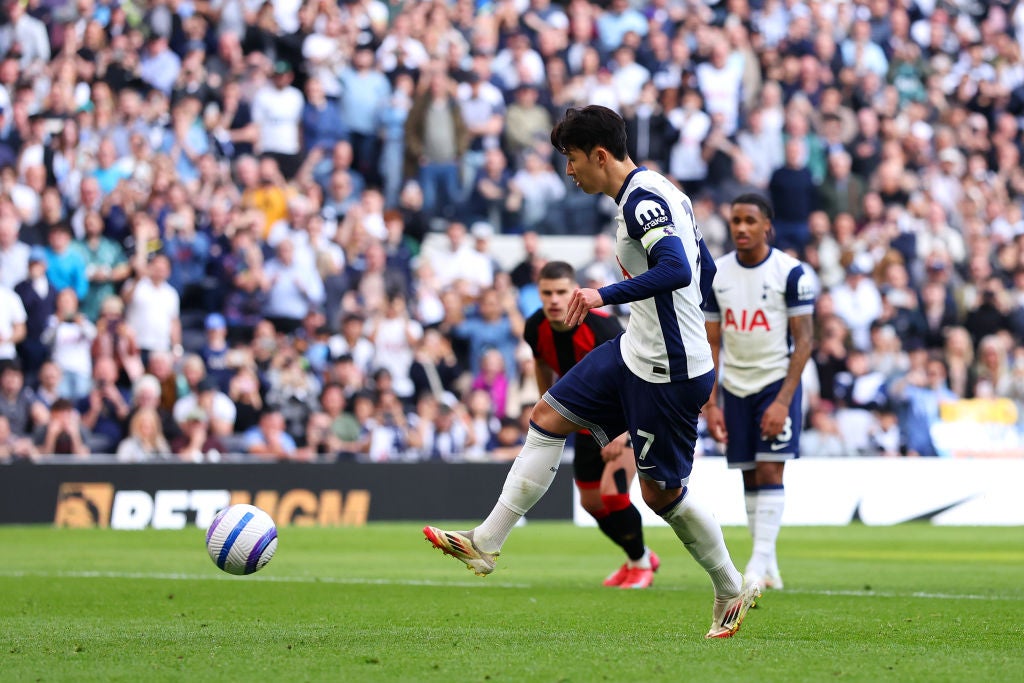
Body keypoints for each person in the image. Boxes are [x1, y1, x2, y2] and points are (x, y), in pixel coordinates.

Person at [424, 105, 759, 639]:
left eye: (572, 159)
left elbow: (676, 268)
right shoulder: (656, 190)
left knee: (660, 495)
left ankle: (729, 584)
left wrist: (602, 294)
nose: (569, 170)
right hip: (635, 350)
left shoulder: (644, 201)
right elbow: (705, 268)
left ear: (599, 155)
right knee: (546, 415)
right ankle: (486, 543)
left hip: (666, 371)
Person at [701, 193, 816, 593]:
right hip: (735, 386)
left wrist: (784, 400)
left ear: (767, 226)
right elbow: (711, 342)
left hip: (775, 381)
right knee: (749, 474)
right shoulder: (717, 274)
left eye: (750, 220)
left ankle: (755, 564)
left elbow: (804, 341)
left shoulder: (791, 273)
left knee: (770, 468)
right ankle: (768, 563)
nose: (741, 228)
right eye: (735, 221)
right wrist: (711, 403)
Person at [524, 260, 660, 589]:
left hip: (624, 420)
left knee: (614, 497)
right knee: (592, 503)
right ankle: (638, 554)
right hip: (583, 425)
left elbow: (634, 379)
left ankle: (641, 565)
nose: (555, 300)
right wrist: (547, 407)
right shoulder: (534, 327)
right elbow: (541, 364)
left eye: (561, 292)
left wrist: (624, 431)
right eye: (547, 293)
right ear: (539, 293)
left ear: (575, 291)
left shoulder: (604, 326)